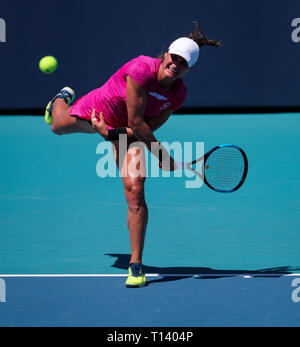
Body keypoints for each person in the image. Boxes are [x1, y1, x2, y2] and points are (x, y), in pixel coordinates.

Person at [44, 21, 221, 288]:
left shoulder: (178, 94)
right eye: (174, 58)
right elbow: (138, 123)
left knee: (136, 190)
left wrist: (112, 135)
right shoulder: (141, 68)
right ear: (165, 55)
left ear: (189, 69)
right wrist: (163, 157)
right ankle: (59, 98)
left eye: (183, 63)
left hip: (122, 130)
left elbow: (146, 128)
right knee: (57, 125)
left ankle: (135, 265)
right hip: (98, 111)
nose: (176, 64)